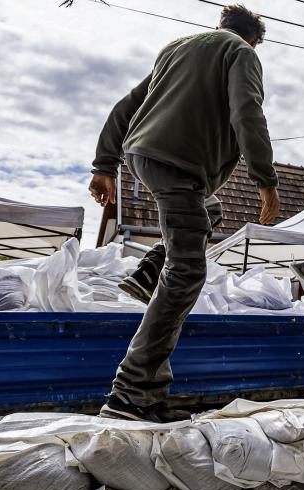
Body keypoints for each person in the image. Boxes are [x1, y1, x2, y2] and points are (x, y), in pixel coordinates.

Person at [87, 4, 281, 422]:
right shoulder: (241, 54)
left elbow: (127, 105)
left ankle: (149, 269)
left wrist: (104, 165)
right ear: (253, 40)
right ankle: (133, 393)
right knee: (188, 272)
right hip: (178, 163)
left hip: (145, 156)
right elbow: (247, 110)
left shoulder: (176, 48)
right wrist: (266, 179)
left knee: (208, 211)